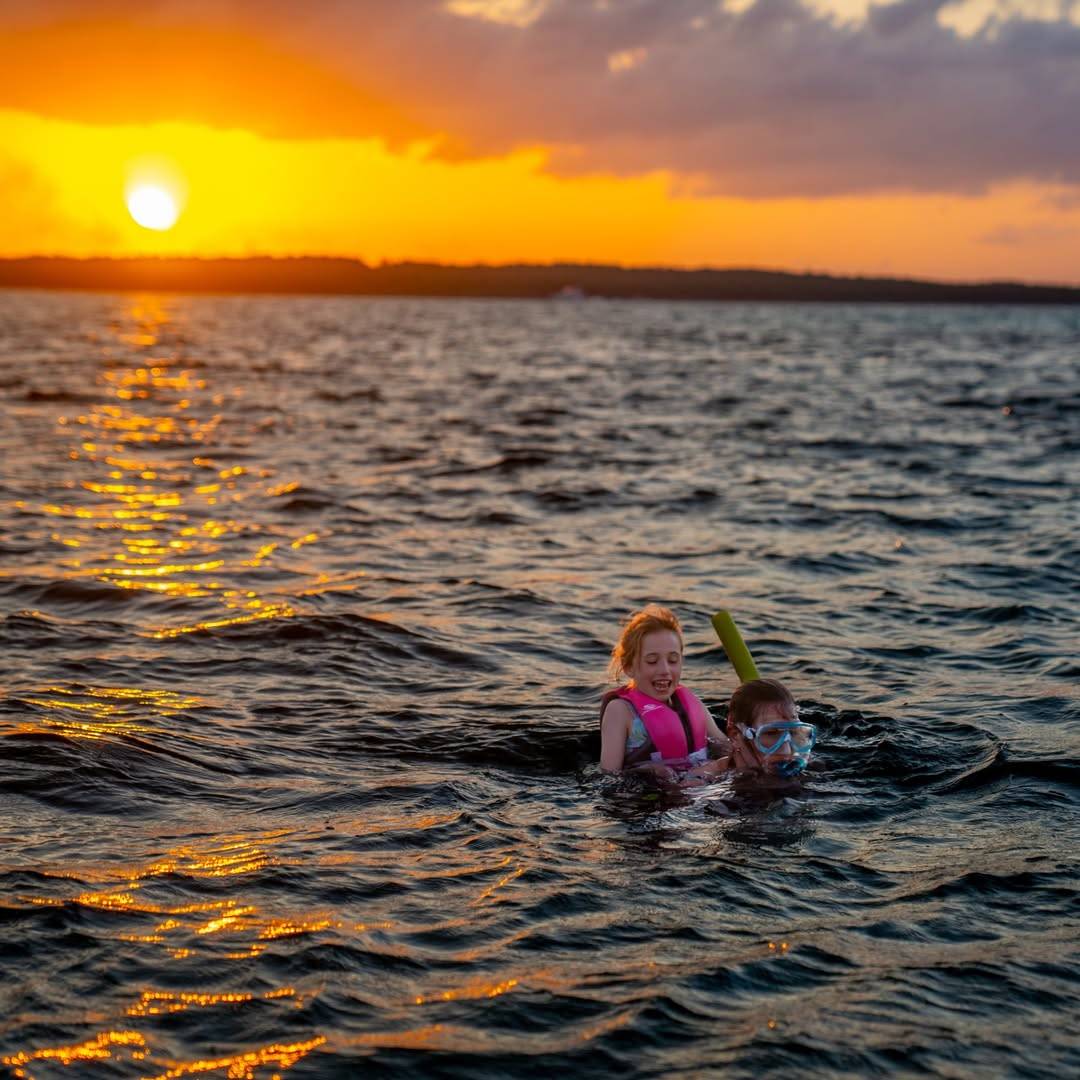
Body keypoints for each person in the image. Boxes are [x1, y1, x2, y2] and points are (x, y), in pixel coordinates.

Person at [600, 605, 731, 787]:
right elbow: (608, 777)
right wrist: (647, 772)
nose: (664, 670)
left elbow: (725, 746)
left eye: (673, 660)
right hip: (650, 796)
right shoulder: (620, 711)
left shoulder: (692, 703)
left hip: (699, 788)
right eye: (652, 661)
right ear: (629, 666)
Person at [724, 677, 816, 780]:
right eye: (772, 733)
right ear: (735, 735)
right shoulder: (712, 777)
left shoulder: (814, 767)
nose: (786, 750)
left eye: (793, 732)